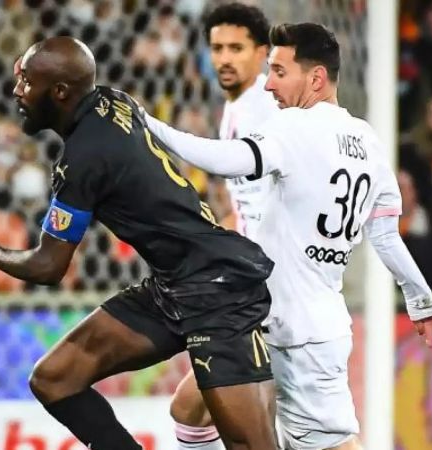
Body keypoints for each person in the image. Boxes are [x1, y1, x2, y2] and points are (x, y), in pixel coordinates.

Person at [0, 36, 279, 450]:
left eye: (26, 82)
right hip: (172, 285)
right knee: (55, 378)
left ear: (59, 92)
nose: (16, 92)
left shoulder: (84, 159)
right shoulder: (114, 100)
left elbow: (48, 266)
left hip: (216, 289)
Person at [144, 23, 432, 450]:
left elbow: (227, 160)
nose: (269, 84)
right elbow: (384, 233)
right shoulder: (366, 139)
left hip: (302, 332)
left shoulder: (297, 127)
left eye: (278, 72)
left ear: (314, 78)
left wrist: (147, 125)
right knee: (191, 407)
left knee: (328, 445)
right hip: (267, 316)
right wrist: (420, 298)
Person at [167, 4, 277, 450]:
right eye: (217, 48)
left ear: (263, 53)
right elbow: (246, 205)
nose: (225, 58)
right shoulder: (238, 107)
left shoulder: (263, 111)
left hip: (269, 286)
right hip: (251, 281)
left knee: (209, 412)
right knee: (207, 411)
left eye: (237, 48)